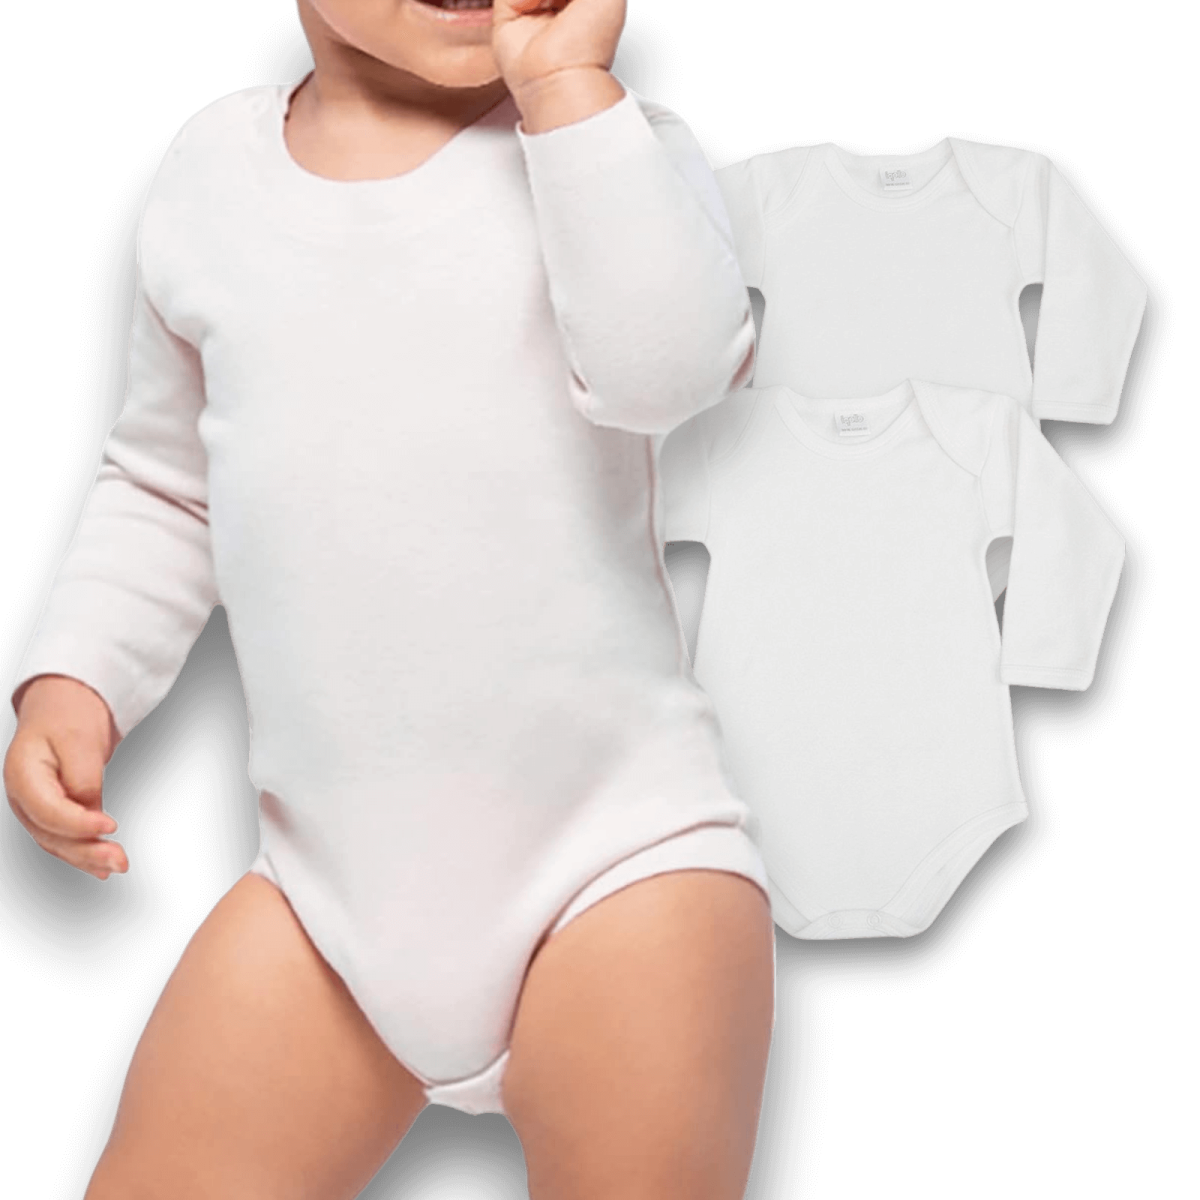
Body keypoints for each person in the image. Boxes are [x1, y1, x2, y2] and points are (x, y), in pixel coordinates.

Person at [3, 2, 776, 1197]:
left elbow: (670, 376)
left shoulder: (605, 138)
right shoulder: (210, 172)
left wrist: (568, 97)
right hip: (324, 902)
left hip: (623, 867)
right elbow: (165, 482)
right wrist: (74, 684)